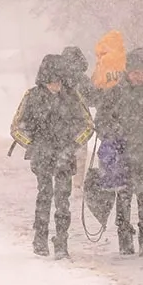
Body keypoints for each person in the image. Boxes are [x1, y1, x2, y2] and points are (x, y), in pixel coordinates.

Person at [11, 54, 94, 259]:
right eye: (51, 80)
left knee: (62, 199)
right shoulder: (32, 97)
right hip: (42, 157)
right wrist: (34, 146)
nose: (55, 85)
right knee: (44, 196)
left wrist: (73, 145)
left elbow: (88, 125)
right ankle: (40, 238)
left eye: (58, 80)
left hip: (65, 156)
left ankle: (61, 240)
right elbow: (16, 128)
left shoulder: (73, 97)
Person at [95, 47, 143, 256]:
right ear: (127, 71)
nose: (139, 76)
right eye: (135, 72)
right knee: (124, 197)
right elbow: (100, 120)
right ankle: (124, 236)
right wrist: (114, 133)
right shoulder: (115, 92)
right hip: (122, 155)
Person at [60, 46, 96, 190]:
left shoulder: (58, 80)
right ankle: (77, 184)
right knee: (80, 154)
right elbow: (93, 99)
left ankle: (66, 183)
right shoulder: (83, 79)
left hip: (62, 124)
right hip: (80, 124)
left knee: (65, 154)